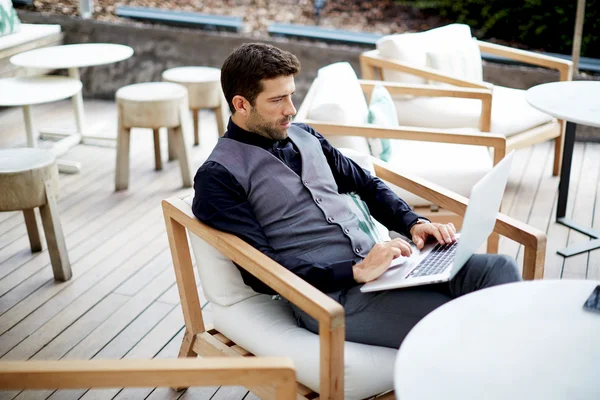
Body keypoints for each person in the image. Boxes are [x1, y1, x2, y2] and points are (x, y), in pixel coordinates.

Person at [192, 43, 521, 349]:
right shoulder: (219, 175)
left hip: (391, 270)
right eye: (277, 100)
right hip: (332, 298)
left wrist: (412, 222)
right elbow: (260, 270)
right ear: (241, 104)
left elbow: (366, 185)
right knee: (457, 321)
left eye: (291, 95)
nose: (290, 109)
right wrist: (355, 271)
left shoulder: (306, 136)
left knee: (498, 269)